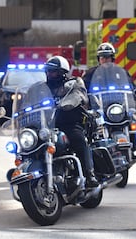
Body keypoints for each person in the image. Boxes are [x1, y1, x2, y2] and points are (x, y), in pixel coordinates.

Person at [45, 55, 99, 188]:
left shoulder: (74, 83)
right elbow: (31, 100)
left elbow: (79, 95)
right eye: (48, 71)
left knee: (78, 140)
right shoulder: (43, 88)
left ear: (63, 72)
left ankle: (89, 174)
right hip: (47, 126)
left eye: (54, 71)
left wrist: (68, 102)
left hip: (69, 123)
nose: (50, 74)